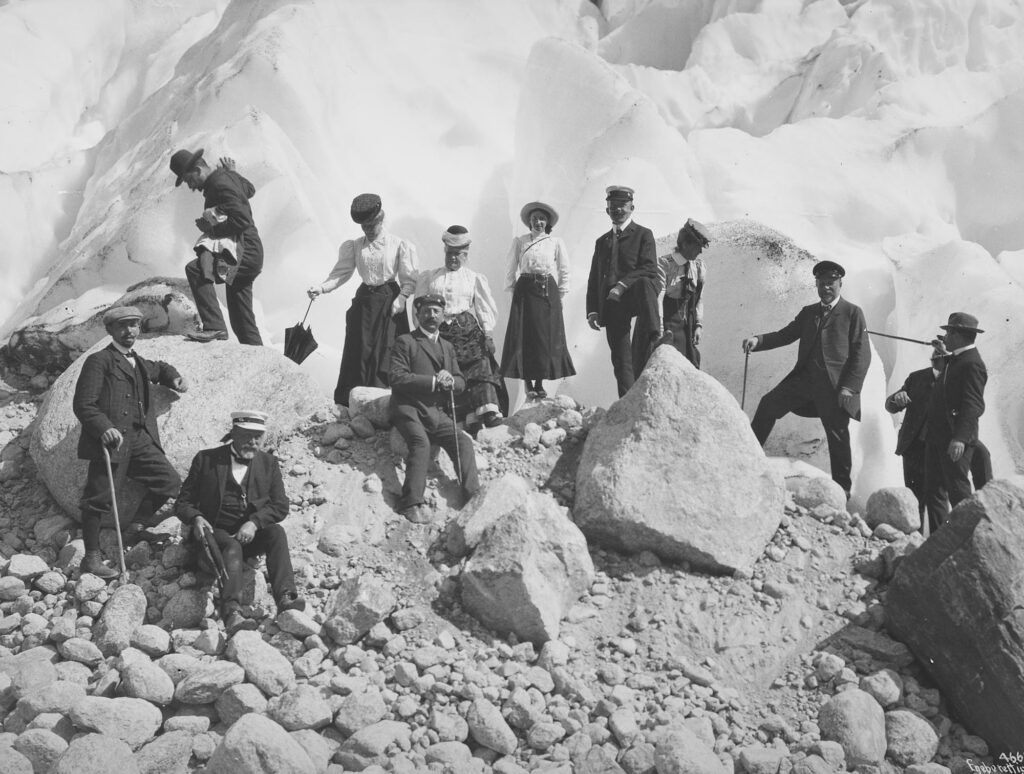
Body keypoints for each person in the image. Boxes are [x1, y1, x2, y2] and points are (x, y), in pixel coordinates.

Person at [73, 306, 188, 579]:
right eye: (123, 326)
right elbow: (83, 404)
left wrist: (174, 378)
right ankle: (91, 558)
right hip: (112, 443)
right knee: (97, 499)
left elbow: (158, 368)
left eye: (134, 325)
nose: (130, 331)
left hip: (140, 440)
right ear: (110, 330)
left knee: (170, 482)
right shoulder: (99, 361)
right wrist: (104, 428)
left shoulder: (136, 360)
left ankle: (136, 526)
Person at [742, 260, 871, 497]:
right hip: (804, 382)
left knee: (838, 436)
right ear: (816, 285)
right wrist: (758, 341)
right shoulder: (808, 312)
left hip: (835, 388)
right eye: (821, 284)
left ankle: (843, 491)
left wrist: (849, 388)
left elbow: (862, 355)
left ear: (840, 283)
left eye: (830, 283)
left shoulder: (853, 313)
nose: (826, 288)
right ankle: (747, 461)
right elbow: (785, 335)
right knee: (768, 405)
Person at [175, 410, 305, 626]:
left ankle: (285, 598)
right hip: (215, 536)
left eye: (258, 437)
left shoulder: (268, 463)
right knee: (232, 547)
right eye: (247, 436)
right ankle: (232, 613)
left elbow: (280, 506)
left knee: (276, 533)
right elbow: (182, 503)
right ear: (234, 433)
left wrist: (254, 523)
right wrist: (196, 518)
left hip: (248, 537)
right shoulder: (205, 460)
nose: (253, 442)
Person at [307, 194, 418, 406]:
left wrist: (402, 298)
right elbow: (341, 273)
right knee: (359, 351)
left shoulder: (398, 244)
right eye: (363, 226)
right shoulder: (355, 246)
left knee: (387, 350)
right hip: (364, 302)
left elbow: (408, 279)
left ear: (380, 219)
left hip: (389, 302)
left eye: (371, 224)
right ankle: (355, 403)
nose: (367, 229)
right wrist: (321, 288)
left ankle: (387, 401)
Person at [389, 294, 480, 524]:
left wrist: (451, 380)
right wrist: (433, 381)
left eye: (436, 311)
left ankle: (474, 497)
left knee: (463, 442)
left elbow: (460, 381)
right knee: (421, 445)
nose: (431, 316)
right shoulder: (405, 341)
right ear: (418, 315)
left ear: (442, 315)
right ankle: (410, 503)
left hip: (435, 412)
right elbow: (397, 377)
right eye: (426, 311)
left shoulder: (447, 347)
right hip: (408, 408)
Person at [885, 340, 991, 524]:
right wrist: (896, 399)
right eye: (934, 354)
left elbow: (971, 407)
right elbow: (890, 405)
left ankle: (946, 536)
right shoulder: (917, 378)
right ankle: (916, 542)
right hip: (916, 448)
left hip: (945, 444)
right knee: (916, 500)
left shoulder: (959, 377)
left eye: (941, 355)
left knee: (943, 494)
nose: (936, 358)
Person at [170, 148, 264, 345]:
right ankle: (263, 363)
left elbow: (242, 219)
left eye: (188, 180)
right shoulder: (224, 179)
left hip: (242, 251)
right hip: (249, 251)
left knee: (195, 269)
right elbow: (250, 190)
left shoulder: (219, 185)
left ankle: (214, 327)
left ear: (197, 169)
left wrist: (211, 229)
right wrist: (233, 173)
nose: (190, 185)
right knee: (241, 322)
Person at [416, 226, 505, 428]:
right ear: (445, 252)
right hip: (441, 331)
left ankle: (486, 411)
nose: (453, 259)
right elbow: (419, 308)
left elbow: (484, 307)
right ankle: (461, 417)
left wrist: (488, 334)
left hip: (467, 328)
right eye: (450, 254)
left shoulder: (473, 278)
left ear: (465, 256)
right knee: (447, 370)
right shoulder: (431, 277)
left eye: (458, 255)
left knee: (480, 364)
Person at [586, 186, 664, 397]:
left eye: (622, 206)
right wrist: (592, 310)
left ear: (632, 207)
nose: (617, 210)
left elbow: (649, 268)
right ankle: (627, 402)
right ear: (607, 210)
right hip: (611, 305)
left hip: (633, 295)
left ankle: (656, 335)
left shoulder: (643, 235)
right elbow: (594, 277)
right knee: (621, 360)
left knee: (646, 283)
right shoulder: (601, 242)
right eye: (613, 206)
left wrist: (621, 286)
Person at [500, 201, 575, 399]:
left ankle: (540, 382)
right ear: (529, 222)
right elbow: (510, 267)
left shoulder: (555, 242)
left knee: (543, 336)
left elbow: (564, 269)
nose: (538, 222)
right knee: (525, 335)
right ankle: (527, 382)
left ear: (548, 222)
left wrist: (559, 294)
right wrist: (513, 290)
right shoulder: (520, 241)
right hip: (525, 289)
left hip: (547, 289)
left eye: (542, 219)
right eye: (534, 219)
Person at [922, 312, 988, 533]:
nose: (945, 335)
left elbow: (973, 405)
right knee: (935, 492)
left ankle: (967, 540)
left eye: (949, 332)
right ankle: (939, 541)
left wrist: (960, 438)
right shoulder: (958, 358)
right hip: (939, 437)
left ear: (959, 335)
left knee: (958, 492)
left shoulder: (972, 364)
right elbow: (948, 364)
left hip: (954, 439)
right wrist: (942, 349)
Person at [658, 219, 710, 368]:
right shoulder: (664, 265)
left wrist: (698, 325)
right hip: (667, 328)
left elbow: (699, 298)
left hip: (686, 330)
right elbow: (657, 298)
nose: (700, 251)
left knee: (692, 364)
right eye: (697, 246)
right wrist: (661, 331)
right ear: (685, 244)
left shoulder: (698, 267)